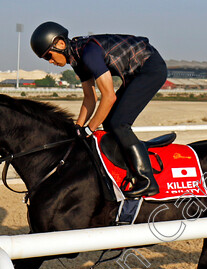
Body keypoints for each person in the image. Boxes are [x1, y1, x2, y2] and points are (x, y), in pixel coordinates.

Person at [30, 21, 168, 198]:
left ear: (60, 44)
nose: (50, 61)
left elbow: (109, 96)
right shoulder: (77, 60)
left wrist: (89, 129)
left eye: (49, 55)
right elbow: (90, 98)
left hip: (151, 68)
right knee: (110, 122)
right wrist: (78, 128)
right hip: (135, 72)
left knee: (119, 123)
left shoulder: (89, 53)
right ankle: (127, 169)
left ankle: (147, 181)